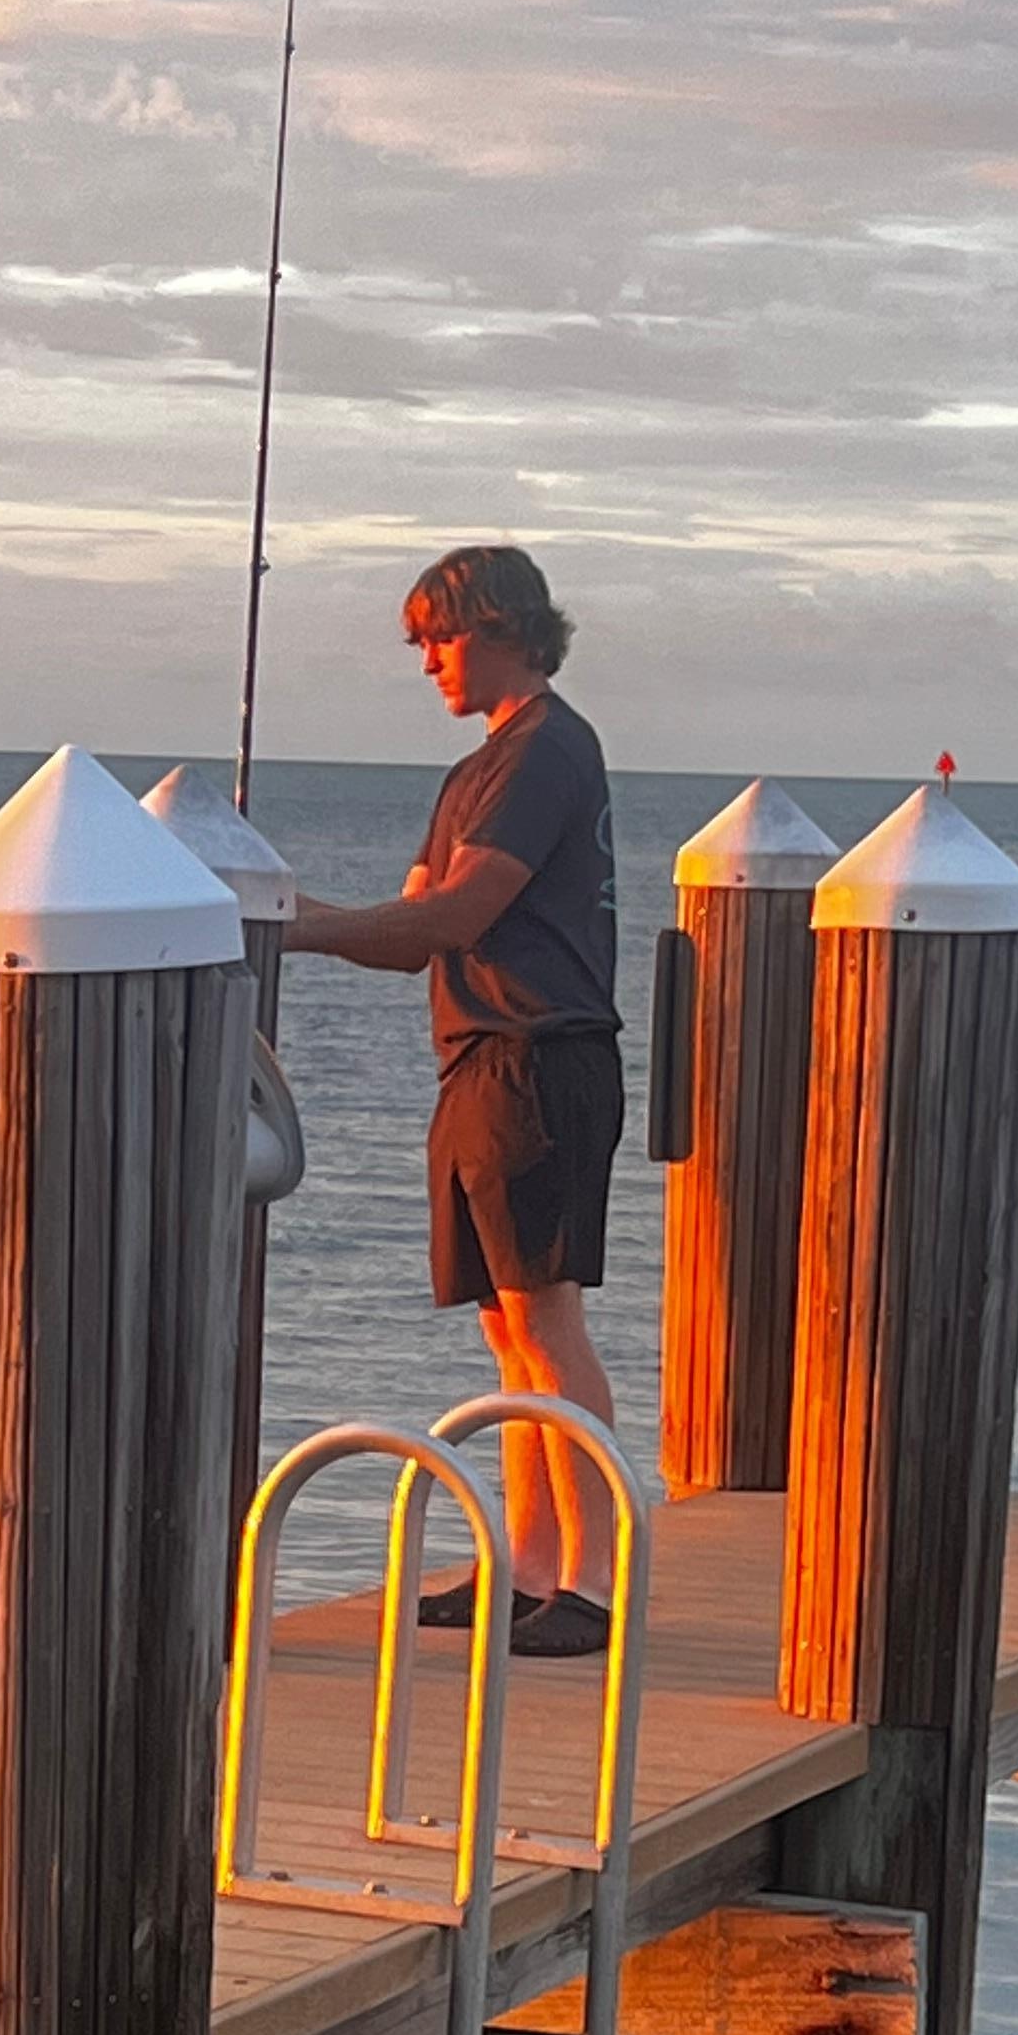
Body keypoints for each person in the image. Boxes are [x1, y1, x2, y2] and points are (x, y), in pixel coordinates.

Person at [285, 544, 626, 1659]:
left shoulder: (544, 753)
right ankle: (526, 1570)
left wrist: (287, 926)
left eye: (438, 636)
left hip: (541, 1057)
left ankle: (593, 1582)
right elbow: (409, 929)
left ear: (501, 628)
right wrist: (292, 916)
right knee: (506, 1331)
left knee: (547, 1319)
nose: (427, 659)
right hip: (478, 1062)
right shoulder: (475, 771)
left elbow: (456, 916)